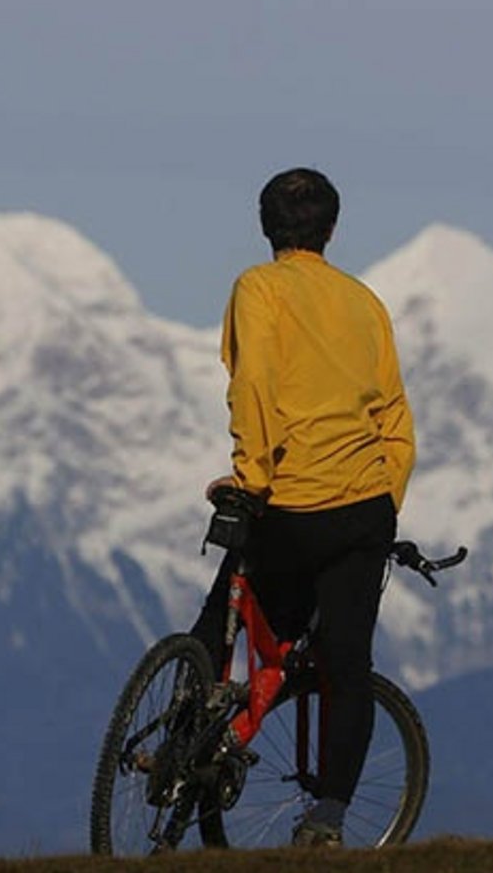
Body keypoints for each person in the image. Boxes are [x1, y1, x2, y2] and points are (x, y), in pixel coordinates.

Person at [190, 167, 416, 848]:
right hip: (361, 508)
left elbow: (254, 380)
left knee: (217, 620)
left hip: (287, 506)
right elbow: (394, 415)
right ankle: (328, 819)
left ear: (266, 227)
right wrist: (385, 501)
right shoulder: (364, 302)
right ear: (332, 228)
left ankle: (189, 738)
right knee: (346, 666)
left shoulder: (258, 289)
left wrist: (250, 477)